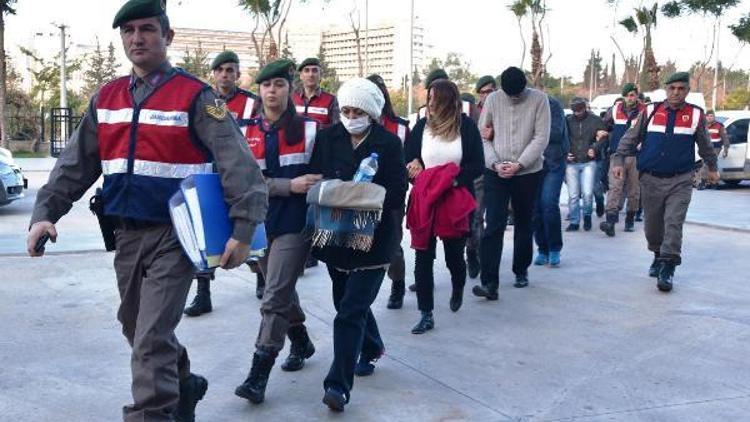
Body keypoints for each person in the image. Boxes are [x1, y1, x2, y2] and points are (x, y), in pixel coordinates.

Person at [26, 1, 269, 420]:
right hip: (126, 236)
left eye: (147, 29)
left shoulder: (197, 96)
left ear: (167, 36)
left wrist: (244, 229)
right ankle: (185, 383)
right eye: (128, 31)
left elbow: (237, 164)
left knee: (151, 338)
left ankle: (151, 413)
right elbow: (75, 163)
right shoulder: (107, 98)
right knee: (136, 328)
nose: (137, 38)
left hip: (178, 235)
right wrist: (46, 213)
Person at [308, 78, 407, 412]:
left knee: (350, 311)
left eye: (358, 111)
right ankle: (373, 345)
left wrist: (355, 194)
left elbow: (396, 192)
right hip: (335, 236)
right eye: (345, 110)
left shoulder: (389, 144)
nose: (350, 116)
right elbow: (315, 179)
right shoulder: (327, 138)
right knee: (345, 302)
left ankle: (338, 385)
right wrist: (342, 192)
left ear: (372, 113)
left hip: (376, 240)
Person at [234, 59, 321, 404]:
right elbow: (244, 182)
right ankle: (300, 339)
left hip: (295, 225)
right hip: (258, 224)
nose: (272, 91)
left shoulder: (312, 129)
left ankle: (258, 373)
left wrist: (297, 187)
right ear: (259, 90)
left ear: (290, 89)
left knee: (273, 297)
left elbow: (319, 179)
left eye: (279, 85)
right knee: (280, 290)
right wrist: (288, 184)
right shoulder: (243, 131)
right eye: (266, 85)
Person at [612, 71, 719, 293]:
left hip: (680, 180)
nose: (676, 93)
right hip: (650, 178)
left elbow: (706, 146)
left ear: (687, 91)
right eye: (672, 88)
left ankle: (668, 267)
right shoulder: (650, 111)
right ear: (666, 90)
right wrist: (619, 160)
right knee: (653, 227)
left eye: (681, 89)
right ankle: (658, 254)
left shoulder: (696, 115)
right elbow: (631, 137)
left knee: (673, 222)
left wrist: (713, 168)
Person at [184, 50, 264, 317]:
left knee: (252, 237)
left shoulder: (253, 103)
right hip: (210, 176)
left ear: (238, 74)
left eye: (231, 70)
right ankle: (203, 294)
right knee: (205, 239)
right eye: (220, 70)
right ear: (214, 74)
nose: (225, 74)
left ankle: (263, 279)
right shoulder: (203, 100)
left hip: (244, 176)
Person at [405, 80, 483, 334]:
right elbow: (409, 158)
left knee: (453, 257)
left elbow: (477, 164)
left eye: (435, 99)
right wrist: (413, 165)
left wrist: (453, 179)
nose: (430, 104)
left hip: (454, 199)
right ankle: (425, 313)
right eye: (429, 98)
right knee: (422, 257)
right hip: (426, 199)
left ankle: (458, 283)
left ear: (448, 101)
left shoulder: (466, 127)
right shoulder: (421, 127)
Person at [472, 66, 550, 300]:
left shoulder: (539, 100)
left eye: (517, 94)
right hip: (496, 172)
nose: (513, 98)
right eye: (509, 94)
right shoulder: (494, 100)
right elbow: (482, 135)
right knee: (493, 224)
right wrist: (495, 164)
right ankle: (489, 282)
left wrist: (521, 164)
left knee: (524, 221)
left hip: (527, 172)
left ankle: (520, 269)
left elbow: (541, 137)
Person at [366, 74, 410, 310]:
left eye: (378, 90)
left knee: (392, 245)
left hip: (392, 195)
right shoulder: (358, 123)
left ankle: (398, 283)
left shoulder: (401, 127)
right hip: (361, 195)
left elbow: (414, 159)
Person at [293, 57, 339, 269]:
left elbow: (337, 131)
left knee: (314, 204)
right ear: (301, 75)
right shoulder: (291, 99)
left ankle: (311, 250)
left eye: (315, 70)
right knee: (296, 204)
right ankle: (299, 250)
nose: (311, 74)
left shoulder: (330, 101)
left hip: (319, 159)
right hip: (294, 158)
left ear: (320, 75)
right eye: (307, 70)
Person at [599, 83, 647, 236]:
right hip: (617, 155)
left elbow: (650, 131)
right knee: (615, 188)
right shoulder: (615, 109)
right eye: (627, 95)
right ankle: (610, 222)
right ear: (623, 96)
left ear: (637, 95)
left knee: (634, 190)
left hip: (636, 156)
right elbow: (603, 126)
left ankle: (630, 219)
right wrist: (602, 133)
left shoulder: (645, 111)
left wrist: (643, 143)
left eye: (632, 95)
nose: (630, 98)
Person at [533, 96, 570, 267]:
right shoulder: (523, 106)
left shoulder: (552, 104)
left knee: (548, 203)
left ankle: (554, 248)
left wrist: (534, 130)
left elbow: (556, 132)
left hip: (553, 162)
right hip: (532, 163)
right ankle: (542, 248)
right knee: (536, 208)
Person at [564, 97, 607, 232]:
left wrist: (595, 148)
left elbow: (604, 137)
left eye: (580, 110)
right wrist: (565, 152)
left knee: (588, 193)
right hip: (571, 162)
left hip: (589, 162)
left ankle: (587, 215)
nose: (578, 113)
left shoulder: (595, 120)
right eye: (575, 111)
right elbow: (561, 138)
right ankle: (575, 221)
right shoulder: (567, 121)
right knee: (573, 194)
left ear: (585, 108)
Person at [701, 109, 729, 189]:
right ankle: (713, 183)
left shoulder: (719, 125)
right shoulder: (703, 125)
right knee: (712, 165)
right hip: (705, 148)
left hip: (715, 147)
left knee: (707, 164)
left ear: (714, 117)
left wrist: (726, 149)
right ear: (705, 117)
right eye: (708, 116)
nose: (710, 118)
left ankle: (703, 182)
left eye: (711, 116)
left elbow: (725, 138)